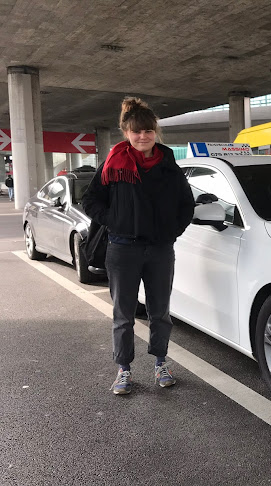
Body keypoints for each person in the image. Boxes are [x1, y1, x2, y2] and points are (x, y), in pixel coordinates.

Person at [83, 97, 195, 395]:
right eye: (137, 131)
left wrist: (174, 230)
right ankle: (124, 370)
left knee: (160, 312)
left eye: (148, 131)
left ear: (155, 132)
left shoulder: (169, 165)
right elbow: (90, 201)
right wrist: (116, 220)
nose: (143, 136)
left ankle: (161, 362)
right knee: (124, 314)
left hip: (160, 249)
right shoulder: (113, 164)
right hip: (122, 248)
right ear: (126, 133)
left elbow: (187, 204)